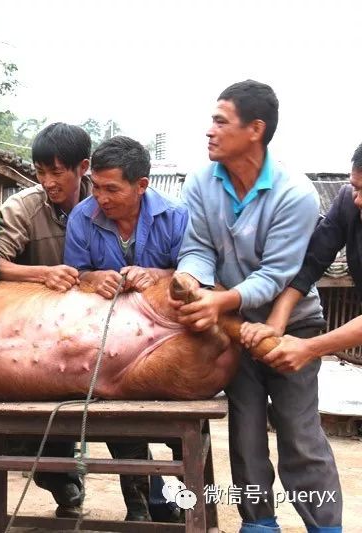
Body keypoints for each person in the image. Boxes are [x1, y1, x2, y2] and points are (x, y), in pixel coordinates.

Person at [173, 80, 342, 533]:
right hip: (231, 326)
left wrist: (220, 299)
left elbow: (277, 275)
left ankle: (325, 527)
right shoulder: (199, 182)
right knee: (245, 435)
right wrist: (192, 280)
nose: (209, 131)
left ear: (255, 130)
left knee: (299, 434)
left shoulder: (295, 193)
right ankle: (258, 524)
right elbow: (197, 247)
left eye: (220, 121)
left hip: (294, 326)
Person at [64, 135, 188, 522]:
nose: (101, 197)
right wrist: (92, 278)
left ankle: (184, 506)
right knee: (118, 418)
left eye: (112, 189)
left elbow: (196, 272)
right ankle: (139, 505)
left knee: (183, 430)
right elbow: (74, 275)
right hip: (113, 344)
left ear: (141, 185)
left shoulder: (176, 216)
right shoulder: (81, 218)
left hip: (170, 344)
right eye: (97, 187)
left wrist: (157, 275)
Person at [0, 122, 91, 517]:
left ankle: (145, 499)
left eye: (57, 172)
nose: (48, 181)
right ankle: (62, 481)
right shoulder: (22, 207)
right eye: (40, 172)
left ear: (82, 168)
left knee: (124, 426)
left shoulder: (105, 202)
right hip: (31, 332)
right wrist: (42, 274)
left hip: (89, 331)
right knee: (33, 430)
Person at [240, 141, 362, 372]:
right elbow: (312, 263)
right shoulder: (348, 204)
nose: (359, 200)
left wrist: (310, 348)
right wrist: (277, 322)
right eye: (357, 187)